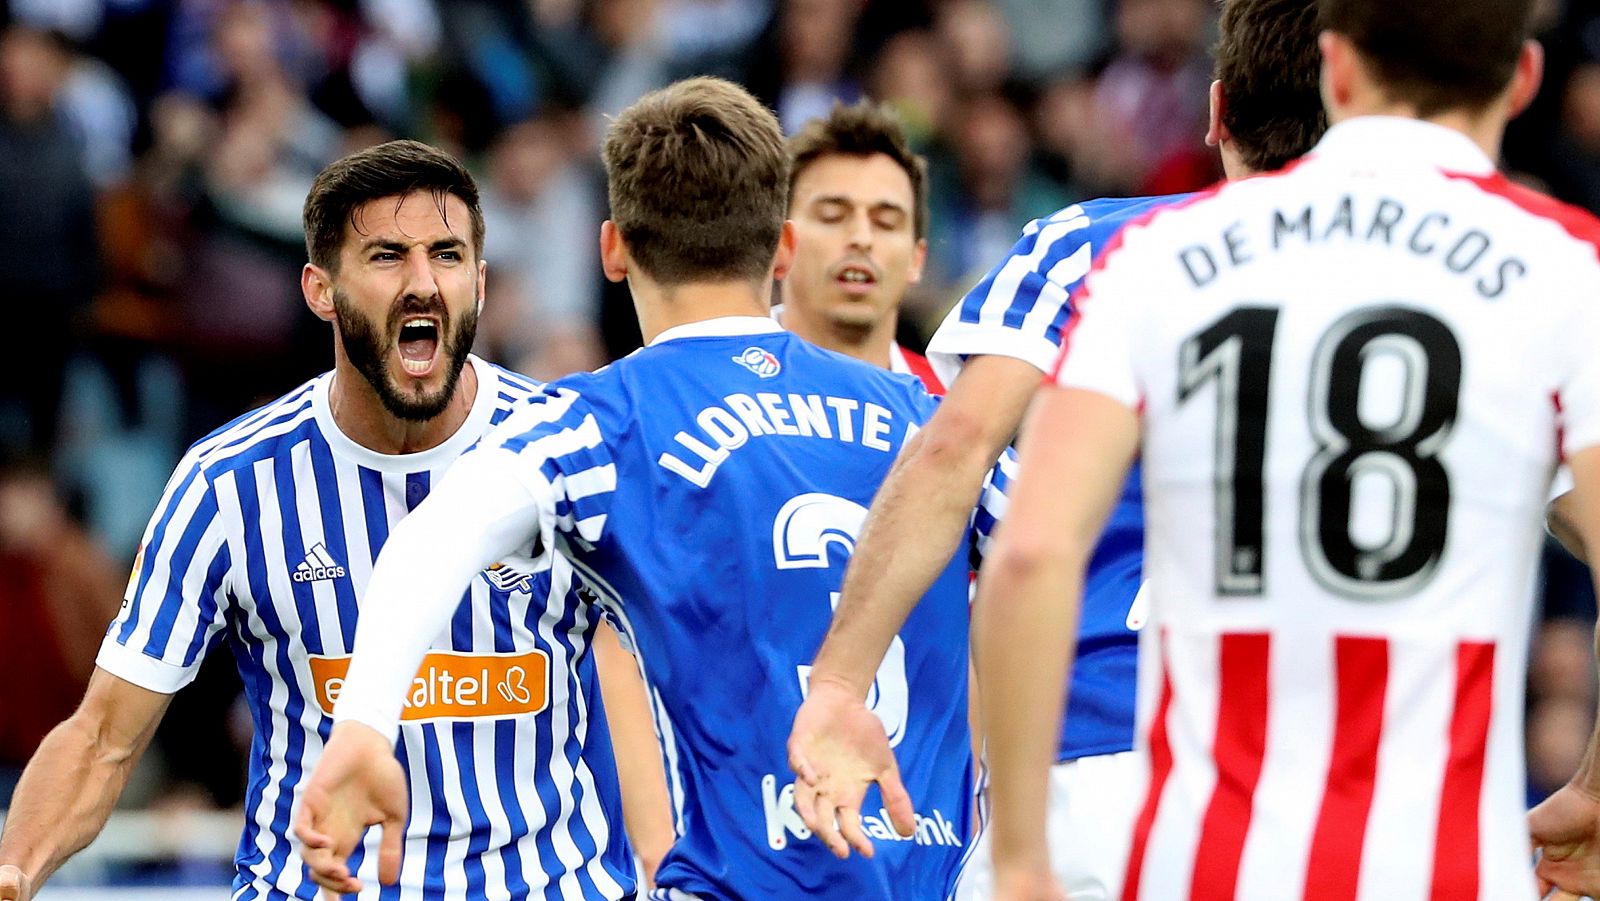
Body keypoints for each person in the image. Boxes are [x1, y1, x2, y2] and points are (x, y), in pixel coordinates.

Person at [804, 0, 1600, 896]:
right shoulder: (1543, 274)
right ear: (1522, 80)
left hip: (1120, 788)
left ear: (1218, 112)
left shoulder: (1129, 252)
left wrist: (844, 685)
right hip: (1401, 819)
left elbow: (987, 497)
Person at [293, 76, 1007, 900]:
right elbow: (1062, 555)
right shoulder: (925, 419)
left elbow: (432, 535)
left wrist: (362, 728)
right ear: (783, 248)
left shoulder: (599, 424)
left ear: (613, 248)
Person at [785, 1, 1327, 898]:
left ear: (1217, 110)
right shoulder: (1442, 305)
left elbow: (954, 450)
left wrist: (841, 681)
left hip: (1097, 779)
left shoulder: (1090, 247)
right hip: (1328, 791)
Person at [0, 140, 637, 901]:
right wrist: (15, 871)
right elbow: (102, 737)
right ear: (320, 288)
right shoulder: (230, 483)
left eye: (447, 254)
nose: (423, 284)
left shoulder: (576, 449)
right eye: (387, 257)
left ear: (481, 280)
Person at [778, 100, 944, 393]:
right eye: (832, 216)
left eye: (885, 223)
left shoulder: (946, 411)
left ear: (916, 260)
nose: (861, 239)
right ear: (780, 243)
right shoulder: (709, 378)